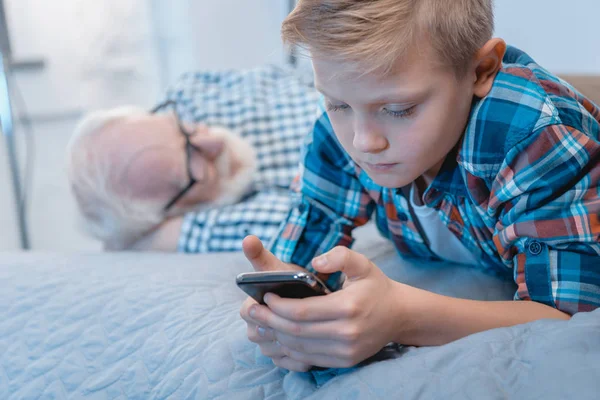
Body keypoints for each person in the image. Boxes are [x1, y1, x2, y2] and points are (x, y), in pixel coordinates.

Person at [240, 0, 600, 373]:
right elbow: (310, 236)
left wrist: (403, 316)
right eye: (336, 104)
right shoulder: (343, 133)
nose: (364, 142)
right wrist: (283, 310)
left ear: (481, 70)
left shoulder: (532, 133)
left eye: (398, 109)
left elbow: (568, 319)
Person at [67, 66, 320, 252]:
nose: (215, 142)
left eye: (182, 127)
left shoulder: (191, 93)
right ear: (169, 215)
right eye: (192, 164)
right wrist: (142, 242)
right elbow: (315, 235)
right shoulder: (213, 228)